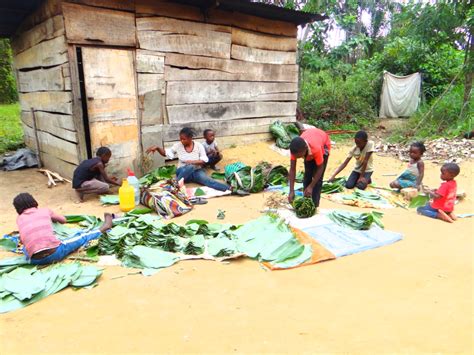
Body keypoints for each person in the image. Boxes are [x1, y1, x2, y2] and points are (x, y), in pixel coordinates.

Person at [13, 193, 113, 265]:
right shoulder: (45, 211)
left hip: (34, 260)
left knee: (26, 247)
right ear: (34, 202)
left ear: (17, 209)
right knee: (81, 237)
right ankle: (103, 228)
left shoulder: (19, 219)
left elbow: (22, 240)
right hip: (55, 254)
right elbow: (63, 220)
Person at [146, 127, 247, 195]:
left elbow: (205, 159)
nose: (182, 141)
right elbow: (167, 153)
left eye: (184, 139)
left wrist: (193, 162)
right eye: (180, 139)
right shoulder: (177, 146)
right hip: (182, 172)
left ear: (190, 138)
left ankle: (232, 189)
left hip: (196, 173)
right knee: (189, 167)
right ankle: (176, 184)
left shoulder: (198, 146)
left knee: (209, 181)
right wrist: (158, 148)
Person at [288, 127, 331, 208]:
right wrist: (291, 191)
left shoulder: (316, 148)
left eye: (299, 156)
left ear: (305, 149)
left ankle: (315, 205)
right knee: (307, 175)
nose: (298, 158)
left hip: (323, 144)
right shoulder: (295, 150)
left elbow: (320, 168)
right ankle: (306, 202)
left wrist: (311, 186)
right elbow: (292, 169)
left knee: (317, 180)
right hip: (310, 142)